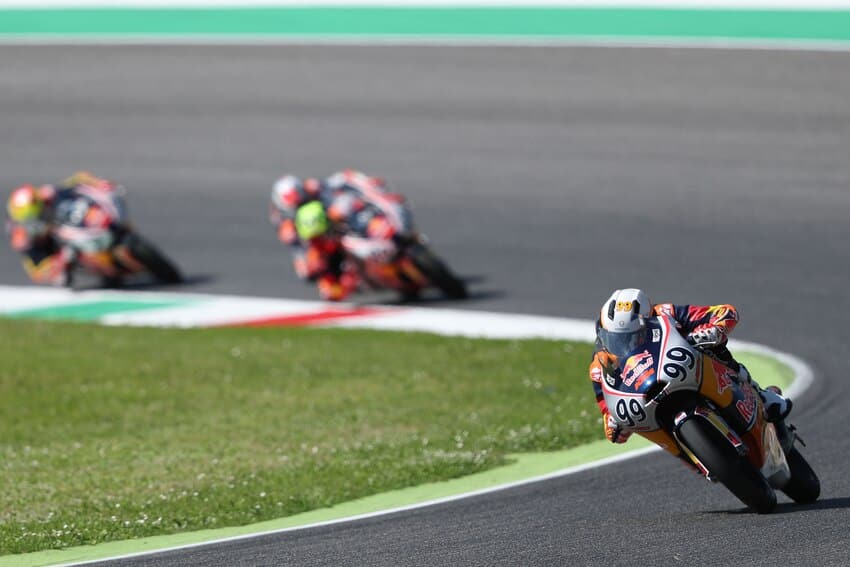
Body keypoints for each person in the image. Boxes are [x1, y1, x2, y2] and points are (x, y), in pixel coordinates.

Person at [589, 288, 792, 447]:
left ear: (649, 318)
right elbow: (607, 406)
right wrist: (613, 421)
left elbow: (725, 312)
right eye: (618, 339)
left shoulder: (667, 313)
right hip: (649, 396)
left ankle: (761, 396)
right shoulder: (600, 366)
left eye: (635, 335)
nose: (627, 344)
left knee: (715, 347)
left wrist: (713, 330)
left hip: (690, 368)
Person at [268, 169, 406, 301]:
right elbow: (299, 257)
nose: (301, 205)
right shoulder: (285, 226)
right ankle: (356, 278)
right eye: (297, 205)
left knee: (360, 211)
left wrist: (366, 183)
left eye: (302, 201)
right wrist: (311, 264)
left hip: (339, 223)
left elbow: (343, 178)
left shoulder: (313, 187)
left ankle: (389, 233)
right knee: (330, 292)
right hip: (324, 244)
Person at [6, 171, 118, 286]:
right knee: (65, 269)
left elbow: (77, 180)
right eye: (36, 218)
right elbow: (37, 273)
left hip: (77, 226)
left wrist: (98, 184)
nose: (42, 216)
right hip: (62, 253)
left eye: (41, 212)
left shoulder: (48, 195)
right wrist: (59, 262)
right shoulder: (22, 239)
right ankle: (105, 270)